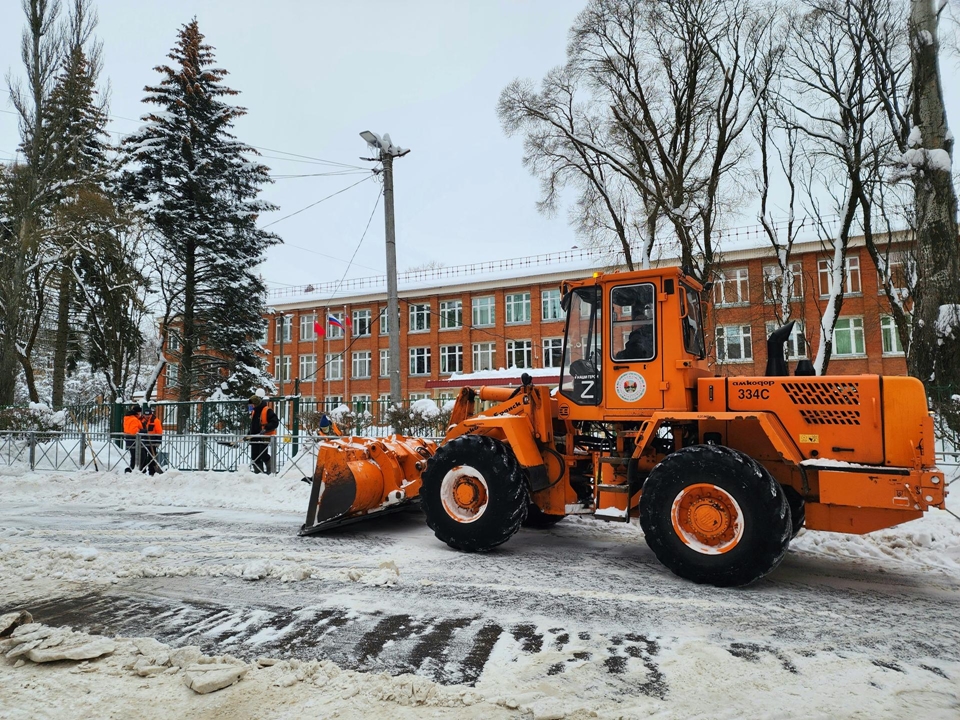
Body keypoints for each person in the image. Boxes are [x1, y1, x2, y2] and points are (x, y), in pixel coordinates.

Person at [248, 394, 280, 474]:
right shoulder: (254, 412)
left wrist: (266, 428)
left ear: (256, 404)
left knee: (263, 455)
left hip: (264, 436)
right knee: (254, 457)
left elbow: (275, 422)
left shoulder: (267, 410)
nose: (250, 406)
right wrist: (248, 435)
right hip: (255, 437)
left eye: (252, 404)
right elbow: (253, 425)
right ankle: (258, 474)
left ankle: (271, 471)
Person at [139, 405, 164, 476]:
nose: (147, 417)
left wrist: (158, 441)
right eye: (145, 415)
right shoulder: (141, 420)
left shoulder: (156, 421)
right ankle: (142, 470)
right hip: (143, 441)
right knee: (142, 456)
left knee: (152, 457)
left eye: (148, 415)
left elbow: (159, 431)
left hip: (152, 441)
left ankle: (152, 471)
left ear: (151, 414)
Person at [122, 404, 143, 473]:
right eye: (140, 412)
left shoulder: (127, 418)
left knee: (133, 454)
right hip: (133, 438)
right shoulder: (134, 419)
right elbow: (134, 430)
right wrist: (141, 431)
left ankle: (133, 468)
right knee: (136, 454)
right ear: (137, 412)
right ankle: (134, 468)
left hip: (128, 438)